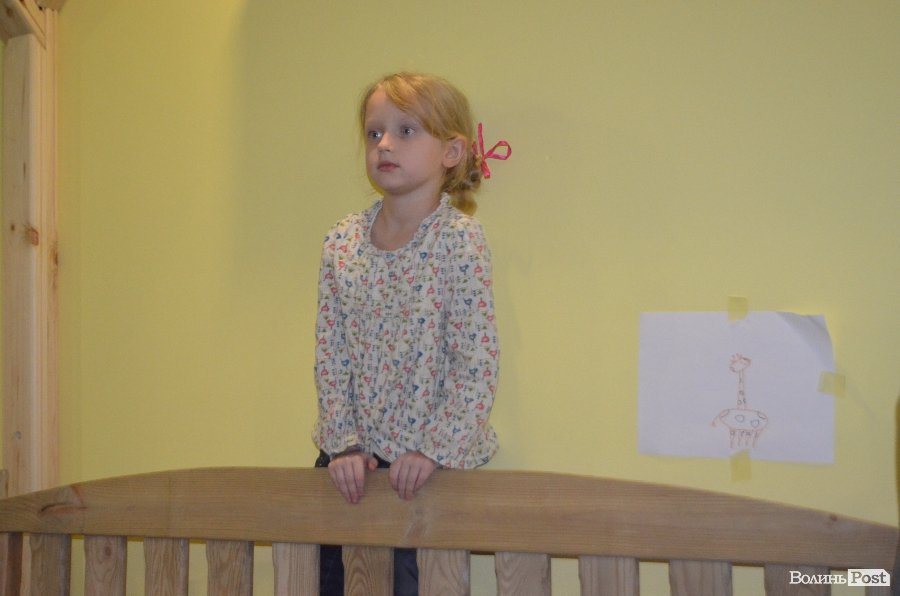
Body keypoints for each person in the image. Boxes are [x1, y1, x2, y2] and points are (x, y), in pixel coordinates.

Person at [312, 72, 507, 596]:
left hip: (429, 472)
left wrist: (433, 450)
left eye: (405, 131)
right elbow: (330, 355)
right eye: (374, 133)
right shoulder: (342, 242)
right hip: (350, 470)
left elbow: (475, 362)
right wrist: (343, 445)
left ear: (451, 152)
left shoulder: (458, 241)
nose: (385, 144)